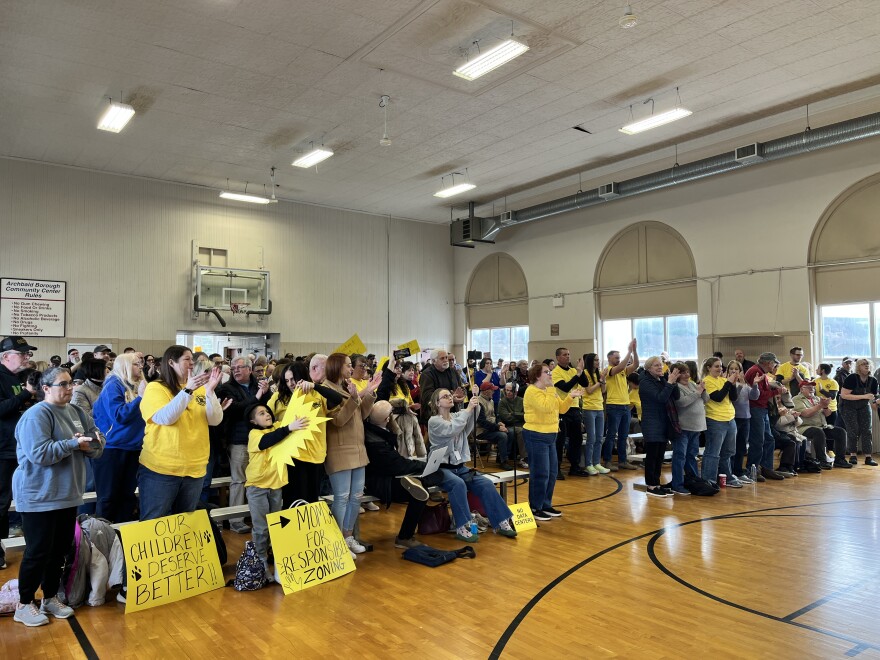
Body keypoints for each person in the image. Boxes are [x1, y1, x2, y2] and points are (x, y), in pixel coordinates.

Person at [12, 366, 103, 627]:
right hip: (39, 495)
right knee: (37, 551)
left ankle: (50, 597)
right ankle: (24, 602)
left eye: (71, 383)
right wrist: (74, 444)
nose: (69, 389)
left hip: (67, 493)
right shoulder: (36, 415)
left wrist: (90, 444)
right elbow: (39, 454)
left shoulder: (76, 412)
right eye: (63, 384)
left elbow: (97, 441)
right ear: (46, 388)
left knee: (60, 551)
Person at [138, 345, 228, 521]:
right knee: (154, 521)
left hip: (195, 468)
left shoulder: (199, 388)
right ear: (171, 362)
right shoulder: (156, 388)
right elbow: (165, 418)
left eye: (192, 360)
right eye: (187, 359)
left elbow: (214, 420)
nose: (192, 364)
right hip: (162, 468)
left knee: (185, 522)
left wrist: (209, 392)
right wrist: (187, 390)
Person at [428, 387, 517, 540]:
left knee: (486, 483)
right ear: (437, 403)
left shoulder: (456, 416)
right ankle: (462, 527)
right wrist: (468, 408)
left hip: (460, 467)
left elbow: (469, 422)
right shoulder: (434, 421)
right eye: (445, 396)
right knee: (458, 484)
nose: (449, 397)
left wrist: (474, 399)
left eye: (450, 395)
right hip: (440, 468)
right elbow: (453, 429)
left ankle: (501, 522)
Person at [322, 353, 381, 555]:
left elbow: (360, 415)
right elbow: (337, 421)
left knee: (357, 496)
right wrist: (355, 397)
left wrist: (369, 394)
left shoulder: (348, 386)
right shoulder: (326, 389)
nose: (351, 369)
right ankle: (337, 541)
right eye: (348, 365)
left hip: (357, 448)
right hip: (339, 449)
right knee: (342, 497)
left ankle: (348, 537)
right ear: (337, 366)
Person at [363, 401, 442, 549]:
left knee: (423, 483)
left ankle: (421, 480)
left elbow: (396, 463)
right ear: (387, 418)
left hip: (388, 476)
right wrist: (421, 466)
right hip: (381, 483)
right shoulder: (376, 441)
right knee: (420, 492)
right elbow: (396, 465)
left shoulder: (377, 433)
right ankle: (405, 537)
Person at [245, 403, 309, 573]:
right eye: (261, 413)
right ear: (253, 421)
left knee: (275, 525)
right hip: (257, 486)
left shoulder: (279, 426)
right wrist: (289, 427)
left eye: (267, 412)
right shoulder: (254, 434)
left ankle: (277, 558)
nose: (267, 414)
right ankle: (261, 561)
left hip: (277, 485)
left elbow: (291, 422)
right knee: (261, 527)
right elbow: (267, 441)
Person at [269, 359, 343, 506]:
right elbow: (264, 418)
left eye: (293, 379)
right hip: (294, 455)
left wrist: (315, 386)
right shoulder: (279, 397)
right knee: (295, 500)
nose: (290, 383)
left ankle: (308, 530)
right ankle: (293, 529)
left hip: (316, 454)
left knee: (312, 500)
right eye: (287, 380)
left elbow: (337, 399)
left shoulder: (317, 393)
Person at [216, 356, 272, 534]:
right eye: (233, 368)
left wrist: (267, 392)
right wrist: (257, 397)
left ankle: (256, 515)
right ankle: (236, 520)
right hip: (239, 440)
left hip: (261, 440)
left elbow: (268, 407)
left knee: (259, 479)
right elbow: (236, 410)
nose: (236, 371)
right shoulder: (227, 388)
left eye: (240, 368)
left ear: (249, 369)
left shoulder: (259, 385)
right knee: (239, 480)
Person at [522, 363, 584, 521]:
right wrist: (551, 389)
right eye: (546, 372)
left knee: (552, 472)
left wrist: (571, 396)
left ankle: (545, 504)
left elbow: (561, 409)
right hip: (536, 435)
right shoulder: (532, 391)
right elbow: (545, 408)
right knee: (540, 473)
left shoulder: (550, 391)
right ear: (537, 376)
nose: (550, 374)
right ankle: (535, 507)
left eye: (550, 372)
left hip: (551, 435)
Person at [92, 353, 147, 523]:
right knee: (108, 497)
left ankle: (123, 537)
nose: (141, 367)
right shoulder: (113, 385)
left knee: (127, 496)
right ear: (125, 366)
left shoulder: (136, 385)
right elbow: (119, 415)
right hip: (112, 448)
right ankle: (103, 538)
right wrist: (140, 398)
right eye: (136, 364)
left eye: (141, 364)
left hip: (133, 447)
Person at [0, 336, 38, 571]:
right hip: (3, 450)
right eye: (21, 353)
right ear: (5, 356)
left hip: (21, 448)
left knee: (25, 498)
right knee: (2, 502)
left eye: (27, 354)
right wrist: (26, 395)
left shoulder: (16, 378)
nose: (26, 357)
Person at [638, 357, 680, 497]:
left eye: (660, 365)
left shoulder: (660, 379)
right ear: (648, 368)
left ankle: (657, 483)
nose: (659, 367)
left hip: (663, 421)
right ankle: (651, 485)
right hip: (651, 422)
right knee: (652, 455)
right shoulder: (645, 382)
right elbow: (660, 398)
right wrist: (669, 383)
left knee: (660, 455)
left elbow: (676, 396)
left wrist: (673, 382)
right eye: (656, 365)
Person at [745, 353, 787, 481]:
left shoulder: (761, 372)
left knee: (769, 439)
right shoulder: (755, 372)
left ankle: (767, 468)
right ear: (768, 363)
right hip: (756, 409)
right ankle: (752, 469)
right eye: (774, 363)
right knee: (757, 441)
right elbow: (758, 395)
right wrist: (777, 391)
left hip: (762, 409)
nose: (774, 366)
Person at [701, 356, 741, 487]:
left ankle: (727, 477)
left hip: (730, 419)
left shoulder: (724, 380)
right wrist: (728, 383)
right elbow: (717, 397)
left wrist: (733, 384)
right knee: (713, 452)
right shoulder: (707, 381)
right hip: (715, 420)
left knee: (728, 451)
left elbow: (734, 398)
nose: (720, 368)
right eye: (716, 366)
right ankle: (709, 480)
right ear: (709, 368)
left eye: (721, 366)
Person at [792, 380, 848, 469]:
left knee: (841, 432)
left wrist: (825, 406)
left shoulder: (817, 398)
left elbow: (827, 414)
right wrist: (820, 406)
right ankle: (822, 460)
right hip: (804, 427)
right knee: (818, 432)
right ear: (802, 389)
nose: (812, 390)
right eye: (809, 387)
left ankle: (840, 460)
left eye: (813, 388)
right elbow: (805, 413)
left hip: (821, 426)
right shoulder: (796, 399)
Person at [603, 339, 639, 471]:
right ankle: (607, 461)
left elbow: (636, 365)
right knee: (611, 435)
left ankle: (622, 461)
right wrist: (629, 350)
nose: (618, 359)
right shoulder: (608, 370)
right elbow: (621, 367)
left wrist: (634, 351)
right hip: (614, 406)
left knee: (624, 436)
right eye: (616, 357)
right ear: (609, 358)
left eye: (619, 357)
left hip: (625, 406)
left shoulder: (623, 370)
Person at [552, 348, 588, 478]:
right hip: (562, 409)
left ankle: (575, 467)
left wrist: (581, 371)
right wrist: (577, 375)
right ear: (558, 357)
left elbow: (585, 383)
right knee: (560, 441)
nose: (568, 357)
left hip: (574, 409)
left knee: (576, 439)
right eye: (564, 355)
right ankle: (557, 469)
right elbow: (565, 387)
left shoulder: (573, 370)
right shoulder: (555, 372)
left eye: (569, 354)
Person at [671, 361, 705, 495]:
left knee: (692, 455)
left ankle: (693, 481)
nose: (686, 375)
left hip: (696, 427)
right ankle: (677, 484)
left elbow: (706, 399)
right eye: (682, 372)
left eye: (686, 372)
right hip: (683, 428)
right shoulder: (677, 387)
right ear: (676, 375)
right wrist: (697, 393)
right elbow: (681, 403)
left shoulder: (692, 384)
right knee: (680, 456)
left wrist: (703, 390)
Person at [840, 358, 879, 466]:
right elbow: (844, 395)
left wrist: (876, 402)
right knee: (853, 430)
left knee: (867, 430)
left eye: (868, 364)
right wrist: (864, 396)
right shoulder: (852, 378)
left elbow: (873, 396)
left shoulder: (873, 380)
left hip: (864, 405)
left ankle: (868, 457)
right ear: (858, 367)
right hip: (848, 406)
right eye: (863, 364)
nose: (866, 366)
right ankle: (853, 455)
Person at [728, 360, 758, 482]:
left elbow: (754, 396)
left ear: (741, 371)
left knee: (741, 447)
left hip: (746, 418)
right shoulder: (728, 384)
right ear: (728, 371)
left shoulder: (745, 385)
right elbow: (733, 399)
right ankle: (729, 472)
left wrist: (755, 385)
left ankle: (738, 471)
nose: (734, 371)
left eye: (737, 369)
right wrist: (739, 385)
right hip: (734, 418)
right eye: (731, 369)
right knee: (731, 448)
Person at [418, 349, 465, 426]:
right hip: (434, 414)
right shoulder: (427, 375)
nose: (446, 360)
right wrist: (450, 397)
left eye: (446, 357)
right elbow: (427, 396)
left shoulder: (453, 371)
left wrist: (461, 395)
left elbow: (460, 387)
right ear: (433, 361)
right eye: (442, 358)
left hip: (452, 412)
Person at [580, 353, 608, 475]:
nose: (598, 362)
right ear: (590, 361)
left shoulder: (599, 373)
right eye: (596, 360)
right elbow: (589, 390)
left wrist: (603, 380)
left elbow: (603, 391)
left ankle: (597, 463)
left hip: (599, 408)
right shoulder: (585, 373)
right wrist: (600, 381)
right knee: (591, 437)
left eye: (598, 360)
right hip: (589, 408)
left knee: (599, 438)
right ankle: (588, 464)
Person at [475, 381, 511, 469]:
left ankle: (501, 457)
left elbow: (494, 416)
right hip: (481, 431)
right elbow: (482, 422)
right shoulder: (478, 402)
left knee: (511, 432)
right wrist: (498, 427)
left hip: (490, 428)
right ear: (486, 391)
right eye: (492, 390)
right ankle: (504, 461)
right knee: (502, 436)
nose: (494, 392)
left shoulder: (490, 401)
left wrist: (499, 422)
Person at [497, 383, 528, 468]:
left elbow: (526, 415)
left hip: (522, 424)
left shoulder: (522, 401)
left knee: (529, 430)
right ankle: (523, 458)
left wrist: (513, 414)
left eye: (511, 391)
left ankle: (527, 457)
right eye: (507, 390)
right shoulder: (502, 402)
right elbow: (506, 417)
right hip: (507, 425)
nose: (508, 392)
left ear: (516, 392)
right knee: (520, 431)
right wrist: (519, 415)